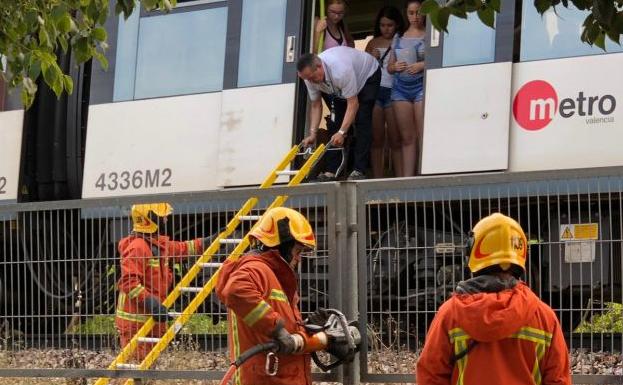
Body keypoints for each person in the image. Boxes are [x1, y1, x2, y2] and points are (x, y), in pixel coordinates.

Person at [416, 213, 571, 385]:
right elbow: (558, 380)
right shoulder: (544, 317)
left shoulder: (450, 314)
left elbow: (430, 377)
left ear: (473, 251)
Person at [216, 207, 332, 385]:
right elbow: (236, 291)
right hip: (265, 378)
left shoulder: (275, 275)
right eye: (298, 251)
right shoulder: (255, 269)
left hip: (279, 376)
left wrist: (307, 329)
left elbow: (284, 327)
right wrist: (277, 329)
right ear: (283, 243)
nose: (299, 258)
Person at [115, 202, 210, 362]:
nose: (166, 220)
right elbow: (128, 282)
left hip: (151, 319)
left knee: (148, 370)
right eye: (162, 217)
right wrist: (150, 302)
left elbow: (183, 248)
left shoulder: (158, 245)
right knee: (136, 373)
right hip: (136, 323)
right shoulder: (138, 247)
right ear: (151, 220)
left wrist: (208, 242)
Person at [298, 47, 381, 181]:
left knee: (362, 120)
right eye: (307, 79)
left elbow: (353, 103)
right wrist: (312, 133)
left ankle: (359, 170)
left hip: (367, 76)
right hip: (339, 86)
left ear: (319, 67)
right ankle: (332, 170)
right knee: (334, 122)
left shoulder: (340, 70)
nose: (311, 82)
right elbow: (315, 105)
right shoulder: (309, 78)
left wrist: (342, 132)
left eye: (312, 78)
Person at [387, 0, 426, 177]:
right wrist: (395, 67)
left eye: (418, 12)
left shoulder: (431, 33)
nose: (415, 17)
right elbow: (389, 67)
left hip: (421, 86)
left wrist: (421, 65)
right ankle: (407, 179)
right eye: (411, 13)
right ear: (406, 14)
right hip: (400, 88)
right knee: (406, 137)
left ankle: (424, 174)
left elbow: (439, 60)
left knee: (422, 134)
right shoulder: (398, 37)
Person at [365, 6, 404, 178]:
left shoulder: (401, 40)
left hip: (394, 90)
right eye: (382, 25)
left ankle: (401, 177)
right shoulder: (372, 43)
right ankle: (378, 178)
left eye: (390, 25)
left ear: (396, 25)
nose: (386, 29)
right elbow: (364, 70)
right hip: (375, 91)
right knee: (377, 139)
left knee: (395, 139)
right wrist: (371, 58)